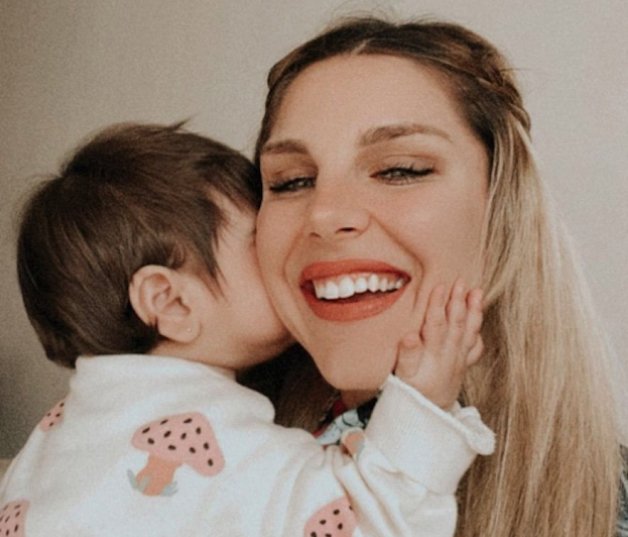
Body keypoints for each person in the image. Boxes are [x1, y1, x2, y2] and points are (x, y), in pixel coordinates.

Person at [0, 122, 494, 536]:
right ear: (170, 302)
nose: (288, 251)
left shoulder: (52, 442)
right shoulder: (223, 440)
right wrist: (423, 403)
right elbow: (372, 524)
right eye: (258, 242)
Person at [248, 16, 628, 537]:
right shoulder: (161, 449)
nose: (324, 214)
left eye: (400, 169)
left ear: (502, 206)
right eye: (292, 181)